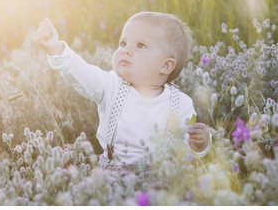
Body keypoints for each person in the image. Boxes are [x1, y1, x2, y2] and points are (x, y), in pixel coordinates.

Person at [35, 12, 211, 169]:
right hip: (114, 172)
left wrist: (200, 145)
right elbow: (84, 74)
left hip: (160, 179)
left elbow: (184, 148)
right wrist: (58, 49)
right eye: (123, 43)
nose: (126, 50)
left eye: (140, 45)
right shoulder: (112, 86)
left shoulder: (181, 103)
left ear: (165, 65)